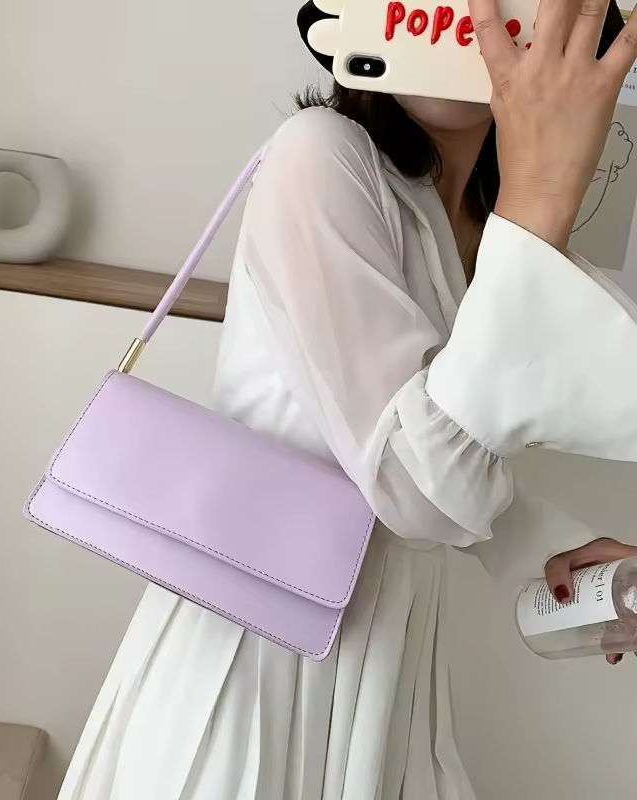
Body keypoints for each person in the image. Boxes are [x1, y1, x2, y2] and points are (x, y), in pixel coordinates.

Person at [59, 0, 637, 796]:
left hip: (386, 664)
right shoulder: (320, 154)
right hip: (254, 652)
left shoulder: (490, 229)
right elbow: (414, 485)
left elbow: (432, 464)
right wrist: (539, 200)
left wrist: (555, 553)